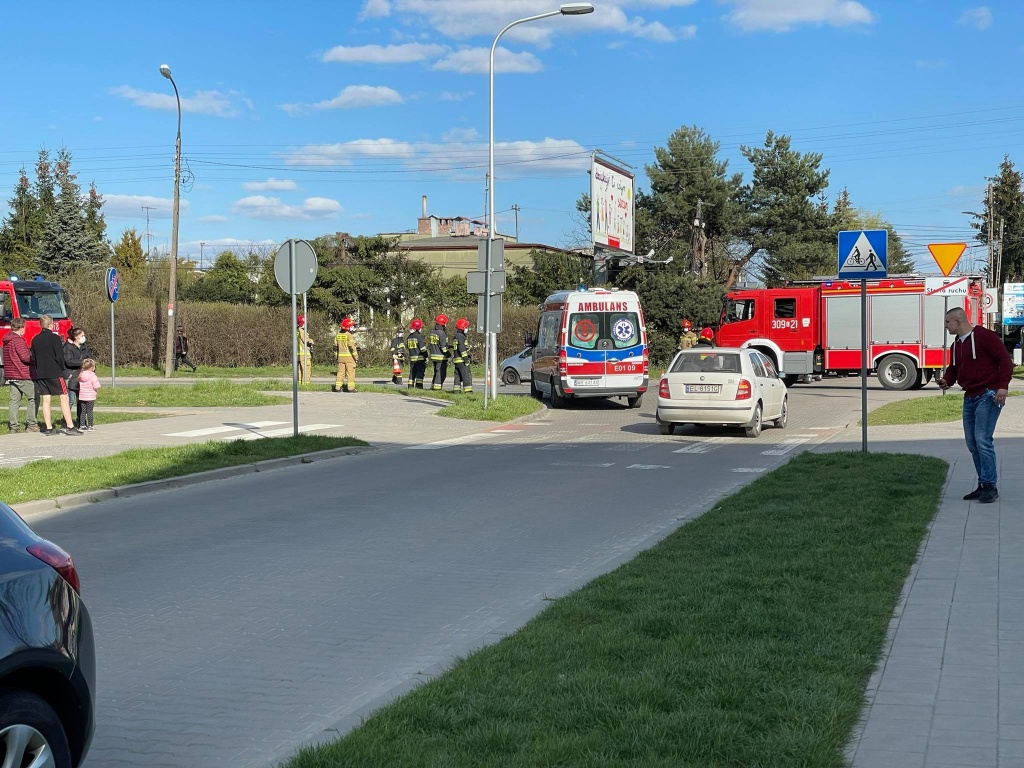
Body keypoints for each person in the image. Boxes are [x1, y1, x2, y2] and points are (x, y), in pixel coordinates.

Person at [937, 307, 1014, 504]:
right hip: (970, 397)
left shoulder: (984, 337)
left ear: (958, 321)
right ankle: (983, 484)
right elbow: (954, 369)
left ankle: (990, 486)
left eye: (948, 322)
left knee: (982, 439)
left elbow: (1005, 360)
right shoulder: (957, 344)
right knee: (972, 443)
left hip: (989, 395)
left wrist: (1002, 387)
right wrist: (947, 380)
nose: (946, 326)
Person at [30, 314, 80, 435]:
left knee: (46, 399)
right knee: (64, 397)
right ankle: (70, 426)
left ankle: (48, 427)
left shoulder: (35, 339)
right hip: (54, 372)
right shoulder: (55, 338)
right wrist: (61, 369)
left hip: (41, 373)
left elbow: (33, 358)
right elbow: (60, 357)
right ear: (51, 324)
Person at [2, 317, 38, 432]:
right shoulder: (18, 340)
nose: (25, 330)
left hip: (11, 375)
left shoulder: (7, 340)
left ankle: (14, 426)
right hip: (22, 374)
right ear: (21, 328)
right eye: (24, 328)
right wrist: (35, 357)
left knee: (14, 401)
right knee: (34, 398)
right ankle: (31, 424)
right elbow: (26, 358)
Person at [63, 328, 87, 424]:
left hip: (82, 376)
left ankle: (81, 420)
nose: (83, 338)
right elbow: (68, 361)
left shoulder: (84, 347)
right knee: (70, 400)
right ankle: (66, 420)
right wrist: (83, 363)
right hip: (71, 376)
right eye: (81, 336)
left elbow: (90, 358)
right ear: (76, 337)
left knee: (81, 400)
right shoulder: (67, 347)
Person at [332, 317, 359, 392]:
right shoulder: (349, 335)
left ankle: (337, 387)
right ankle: (351, 388)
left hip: (340, 358)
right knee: (350, 373)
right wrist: (356, 357)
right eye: (351, 326)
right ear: (348, 327)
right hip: (349, 358)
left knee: (340, 372)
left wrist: (336, 357)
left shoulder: (338, 334)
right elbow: (351, 347)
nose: (352, 327)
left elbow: (335, 347)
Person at [77, 358, 101, 431]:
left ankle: (82, 425)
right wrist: (97, 390)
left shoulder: (81, 375)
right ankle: (90, 425)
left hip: (82, 396)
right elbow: (96, 385)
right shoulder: (93, 376)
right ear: (92, 367)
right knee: (89, 411)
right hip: (90, 396)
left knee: (83, 411)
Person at [450, 318, 473, 393]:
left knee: (458, 376)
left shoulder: (456, 336)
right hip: (462, 360)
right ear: (463, 327)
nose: (467, 329)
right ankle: (468, 391)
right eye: (466, 327)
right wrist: (466, 359)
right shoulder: (461, 336)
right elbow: (462, 349)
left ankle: (456, 391)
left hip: (457, 360)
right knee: (466, 375)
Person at [428, 314, 450, 391]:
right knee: (441, 373)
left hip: (433, 355)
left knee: (436, 372)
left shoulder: (432, 332)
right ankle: (437, 389)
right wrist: (449, 355)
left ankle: (433, 386)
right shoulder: (442, 333)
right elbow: (443, 348)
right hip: (440, 357)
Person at [405, 318, 427, 389]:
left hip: (412, 358)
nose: (421, 329)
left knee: (412, 373)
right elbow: (422, 349)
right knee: (420, 373)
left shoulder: (409, 337)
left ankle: (410, 386)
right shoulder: (418, 336)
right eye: (421, 327)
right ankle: (419, 387)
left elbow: (407, 347)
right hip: (419, 359)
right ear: (418, 328)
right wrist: (426, 356)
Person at [296, 315, 314, 384]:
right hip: (304, 354)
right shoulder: (302, 331)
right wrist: (311, 341)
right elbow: (306, 341)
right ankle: (306, 383)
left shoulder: (296, 331)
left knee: (299, 370)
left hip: (298, 355)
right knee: (306, 369)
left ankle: (299, 382)